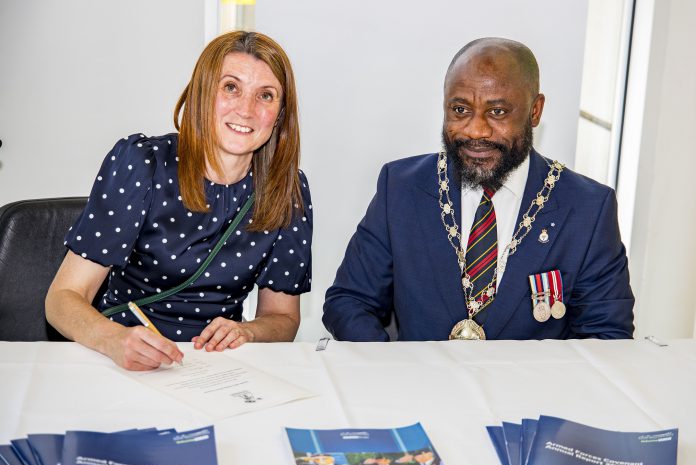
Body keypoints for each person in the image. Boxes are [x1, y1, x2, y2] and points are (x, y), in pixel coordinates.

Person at [323, 37, 633, 341]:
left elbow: (606, 336)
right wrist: (395, 373)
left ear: (534, 111)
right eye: (460, 110)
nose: (476, 130)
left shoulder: (588, 208)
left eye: (497, 112)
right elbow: (349, 302)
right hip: (418, 386)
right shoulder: (402, 187)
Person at [46, 31, 312, 370]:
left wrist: (249, 332)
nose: (246, 110)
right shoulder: (142, 164)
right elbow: (62, 298)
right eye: (230, 87)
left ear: (280, 114)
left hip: (218, 368)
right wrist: (112, 339)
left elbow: (282, 317)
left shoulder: (288, 191)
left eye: (266, 95)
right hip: (122, 356)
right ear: (202, 94)